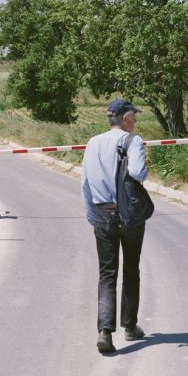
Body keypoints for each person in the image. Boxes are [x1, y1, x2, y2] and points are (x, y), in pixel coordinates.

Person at [81, 99, 149, 353]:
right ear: (126, 118)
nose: (136, 121)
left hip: (102, 214)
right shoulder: (133, 141)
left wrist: (91, 215)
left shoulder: (92, 143)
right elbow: (139, 173)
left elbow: (85, 183)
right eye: (134, 116)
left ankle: (104, 332)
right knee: (131, 269)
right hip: (129, 215)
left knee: (107, 273)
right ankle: (130, 327)